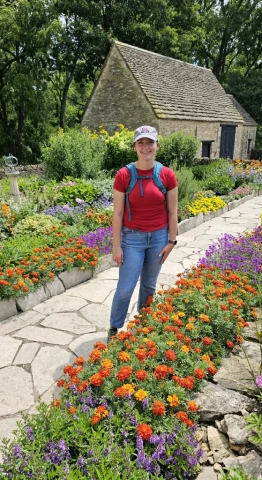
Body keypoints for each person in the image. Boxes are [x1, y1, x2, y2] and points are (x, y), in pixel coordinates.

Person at [107, 125, 178, 343]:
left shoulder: (167, 175)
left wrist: (172, 241)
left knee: (148, 284)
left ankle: (144, 324)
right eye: (141, 143)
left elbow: (173, 210)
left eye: (150, 143)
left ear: (157, 146)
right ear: (134, 147)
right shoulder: (124, 175)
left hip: (158, 238)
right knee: (125, 287)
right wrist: (116, 245)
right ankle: (114, 328)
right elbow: (118, 213)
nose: (146, 147)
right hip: (132, 239)